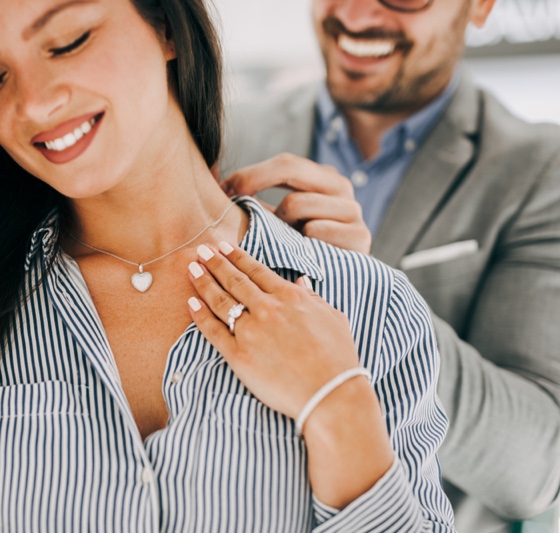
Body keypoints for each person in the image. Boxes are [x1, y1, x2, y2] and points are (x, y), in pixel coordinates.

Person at [0, 0, 455, 531]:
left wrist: (338, 409)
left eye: (68, 40)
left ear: (165, 23)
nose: (34, 102)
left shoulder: (368, 306)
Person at [220, 0, 560, 531]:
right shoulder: (222, 133)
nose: (355, 15)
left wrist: (366, 290)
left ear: (482, 7)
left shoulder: (540, 172)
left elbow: (532, 467)